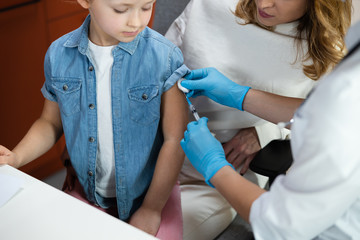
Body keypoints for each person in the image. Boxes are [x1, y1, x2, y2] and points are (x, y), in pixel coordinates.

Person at [0, 0, 190, 239]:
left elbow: (175, 138)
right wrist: (17, 157)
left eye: (146, 6)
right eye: (121, 9)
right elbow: (50, 123)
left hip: (152, 195)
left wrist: (151, 208)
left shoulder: (165, 57)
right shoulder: (59, 55)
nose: (137, 21)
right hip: (88, 193)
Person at [165, 0, 352, 238]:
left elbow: (322, 118)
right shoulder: (211, 5)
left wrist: (265, 133)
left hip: (216, 181)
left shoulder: (328, 53)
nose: (264, 3)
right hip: (154, 149)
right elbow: (156, 67)